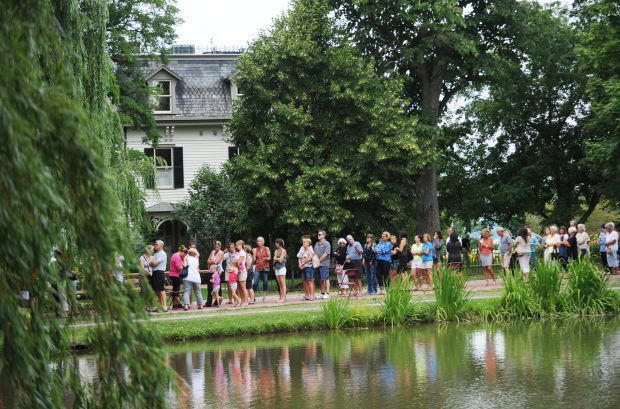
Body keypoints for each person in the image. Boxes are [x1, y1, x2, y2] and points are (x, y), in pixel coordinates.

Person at [149, 240, 168, 311]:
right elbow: (150, 264)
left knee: (161, 289)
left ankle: (165, 306)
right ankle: (160, 306)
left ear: (160, 246)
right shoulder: (156, 254)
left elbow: (155, 263)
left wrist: (152, 263)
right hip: (154, 272)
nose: (155, 246)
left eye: (156, 244)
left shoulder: (162, 253)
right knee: (157, 290)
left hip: (160, 272)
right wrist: (152, 263)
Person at [205, 242, 224, 307]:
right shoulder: (212, 252)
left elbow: (216, 262)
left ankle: (218, 300)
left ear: (220, 247)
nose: (216, 248)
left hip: (218, 272)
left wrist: (212, 261)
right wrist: (212, 261)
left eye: (217, 247)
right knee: (210, 287)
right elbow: (207, 261)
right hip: (211, 270)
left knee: (217, 286)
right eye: (215, 247)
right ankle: (209, 302)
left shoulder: (221, 253)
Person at [314, 230, 331, 299]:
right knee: (321, 279)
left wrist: (318, 260)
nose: (318, 235)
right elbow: (314, 253)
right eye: (318, 234)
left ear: (323, 235)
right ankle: (322, 293)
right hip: (318, 264)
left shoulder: (327, 244)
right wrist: (315, 261)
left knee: (326, 278)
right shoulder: (316, 244)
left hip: (324, 264)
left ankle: (327, 293)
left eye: (319, 234)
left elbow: (325, 254)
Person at [253, 237, 271, 302]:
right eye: (257, 241)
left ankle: (264, 297)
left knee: (265, 282)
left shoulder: (267, 248)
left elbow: (269, 258)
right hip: (258, 267)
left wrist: (267, 258)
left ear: (263, 242)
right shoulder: (256, 249)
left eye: (260, 241)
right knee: (255, 282)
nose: (258, 242)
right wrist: (254, 253)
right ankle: (253, 297)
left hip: (265, 267)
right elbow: (254, 260)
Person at [273, 238, 288, 303]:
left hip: (281, 268)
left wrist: (276, 259)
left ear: (279, 243)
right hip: (277, 268)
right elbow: (274, 258)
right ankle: (281, 297)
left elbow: (281, 260)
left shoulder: (283, 251)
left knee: (283, 283)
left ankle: (284, 298)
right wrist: (276, 259)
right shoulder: (277, 251)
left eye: (276, 243)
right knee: (279, 284)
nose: (275, 244)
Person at [235, 240, 248, 306]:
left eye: (237, 245)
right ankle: (242, 300)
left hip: (242, 271)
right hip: (238, 271)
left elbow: (238, 262)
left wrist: (235, 263)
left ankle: (246, 301)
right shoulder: (238, 253)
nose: (236, 246)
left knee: (243, 287)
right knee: (239, 287)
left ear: (241, 245)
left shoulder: (242, 253)